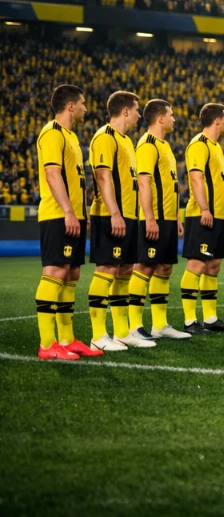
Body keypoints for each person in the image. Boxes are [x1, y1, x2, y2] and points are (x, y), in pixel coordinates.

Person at [34, 84, 101, 360]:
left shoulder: (71, 136)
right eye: (83, 103)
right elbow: (52, 175)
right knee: (55, 272)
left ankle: (67, 339)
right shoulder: (52, 133)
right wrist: (68, 212)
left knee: (71, 274)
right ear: (70, 106)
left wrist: (80, 214)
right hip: (57, 215)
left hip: (73, 216)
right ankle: (47, 344)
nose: (86, 107)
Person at [87, 91, 152, 349]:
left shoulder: (126, 141)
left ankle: (122, 332)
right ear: (125, 111)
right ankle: (97, 336)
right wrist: (115, 213)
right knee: (106, 269)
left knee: (125, 270)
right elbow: (103, 178)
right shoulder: (105, 137)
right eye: (136, 110)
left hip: (129, 216)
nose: (139, 115)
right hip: (111, 215)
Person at [130, 99, 190, 341]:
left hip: (167, 217)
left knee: (164, 268)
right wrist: (149, 218)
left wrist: (175, 217)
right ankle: (133, 325)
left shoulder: (165, 145)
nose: (175, 119)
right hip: (153, 218)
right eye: (171, 114)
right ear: (160, 118)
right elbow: (143, 182)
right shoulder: (147, 144)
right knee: (144, 266)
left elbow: (169, 185)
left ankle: (160, 324)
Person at [181, 103, 224, 334]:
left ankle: (211, 318)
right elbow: (195, 178)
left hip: (219, 215)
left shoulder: (216, 147)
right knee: (197, 264)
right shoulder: (199, 144)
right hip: (203, 214)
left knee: (213, 265)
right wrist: (204, 208)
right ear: (216, 121)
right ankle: (189, 321)